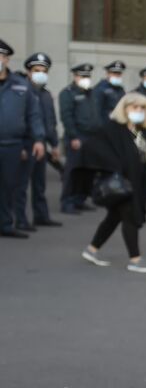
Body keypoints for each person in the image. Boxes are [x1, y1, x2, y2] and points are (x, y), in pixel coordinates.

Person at [77, 91, 146, 272]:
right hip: (121, 183)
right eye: (135, 107)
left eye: (142, 108)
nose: (139, 110)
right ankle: (135, 260)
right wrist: (116, 167)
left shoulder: (138, 131)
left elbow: (141, 158)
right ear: (124, 109)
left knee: (114, 217)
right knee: (130, 218)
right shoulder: (113, 129)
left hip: (132, 182)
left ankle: (92, 249)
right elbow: (94, 149)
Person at [0, 37, 45, 239]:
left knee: (8, 186)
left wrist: (38, 139)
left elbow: (33, 115)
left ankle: (6, 224)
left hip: (12, 144)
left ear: (7, 60)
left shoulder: (20, 86)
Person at [18, 52, 62, 229]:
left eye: (44, 70)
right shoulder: (21, 92)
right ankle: (20, 220)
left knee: (39, 183)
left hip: (42, 144)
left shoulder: (45, 94)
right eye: (37, 70)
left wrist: (55, 144)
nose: (40, 73)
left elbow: (50, 121)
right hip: (26, 143)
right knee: (21, 185)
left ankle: (41, 215)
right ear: (28, 72)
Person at [59, 63, 100, 214]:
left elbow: (96, 115)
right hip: (77, 137)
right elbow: (66, 117)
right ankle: (67, 202)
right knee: (73, 171)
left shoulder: (91, 93)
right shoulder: (68, 93)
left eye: (88, 76)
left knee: (87, 172)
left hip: (92, 138)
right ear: (75, 76)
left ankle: (80, 199)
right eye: (83, 76)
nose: (86, 79)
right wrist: (74, 136)